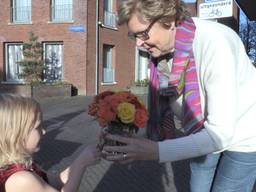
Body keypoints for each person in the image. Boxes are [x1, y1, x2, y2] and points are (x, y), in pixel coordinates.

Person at [102, 0, 256, 191]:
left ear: (169, 19)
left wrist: (156, 151)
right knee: (198, 187)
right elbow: (172, 99)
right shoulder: (161, 53)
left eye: (142, 33)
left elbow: (221, 135)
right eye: (134, 36)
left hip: (243, 135)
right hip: (200, 131)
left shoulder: (216, 43)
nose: (139, 43)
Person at [0, 94, 101, 192]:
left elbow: (56, 181)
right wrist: (81, 164)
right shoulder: (21, 180)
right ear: (15, 135)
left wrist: (79, 160)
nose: (44, 131)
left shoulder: (25, 163)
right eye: (37, 127)